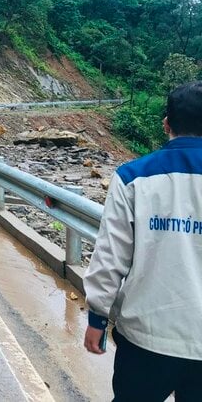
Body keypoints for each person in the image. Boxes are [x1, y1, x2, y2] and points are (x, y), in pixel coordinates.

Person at [83, 80, 202, 401]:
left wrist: (97, 317)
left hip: (147, 336)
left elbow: (110, 257)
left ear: (166, 124)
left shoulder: (132, 177)